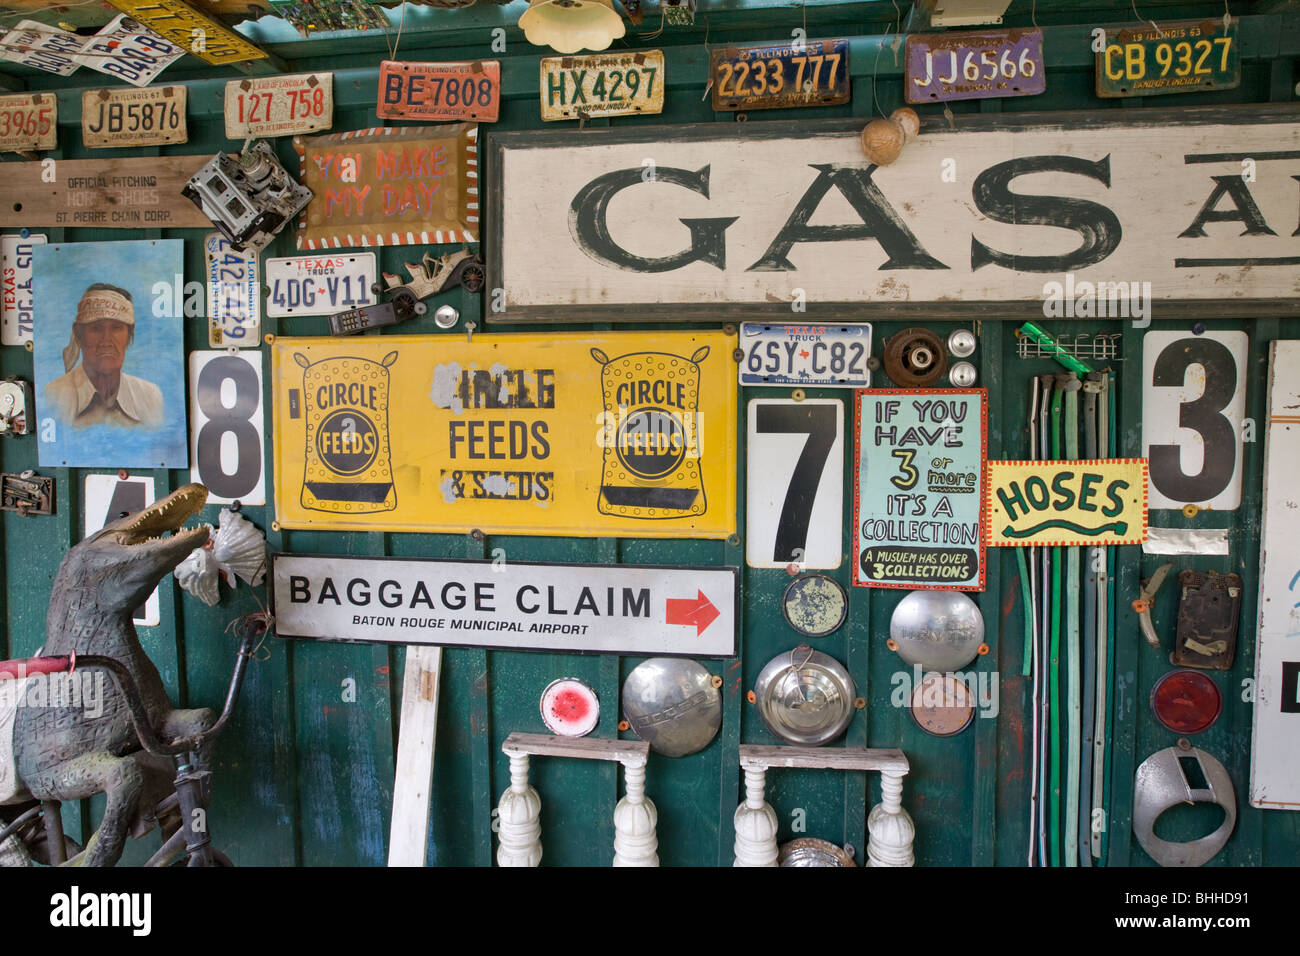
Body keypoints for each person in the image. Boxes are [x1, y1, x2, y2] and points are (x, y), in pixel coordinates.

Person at [44, 284, 165, 429]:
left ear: (129, 335)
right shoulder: (53, 397)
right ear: (78, 334)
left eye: (116, 328)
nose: (106, 341)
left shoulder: (149, 396)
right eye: (96, 328)